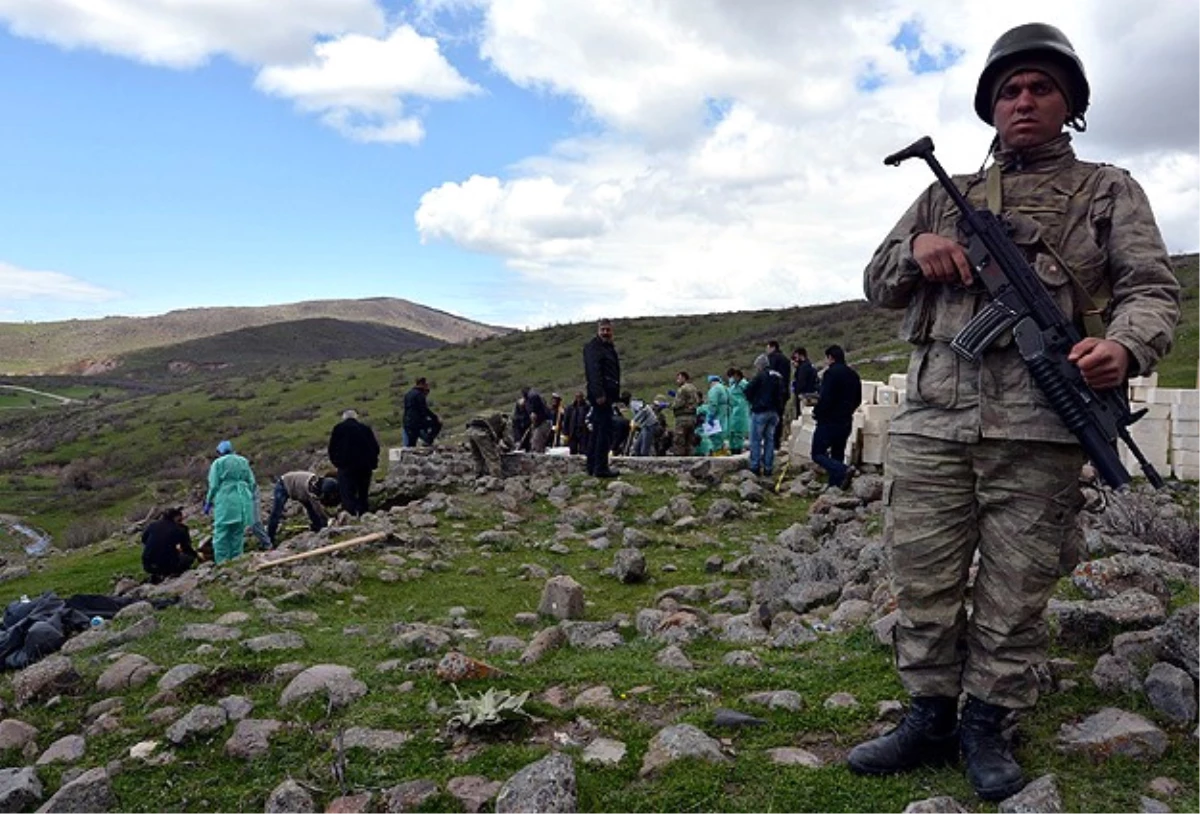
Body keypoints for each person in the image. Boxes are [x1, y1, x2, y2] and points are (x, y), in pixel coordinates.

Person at [851, 23, 1180, 803]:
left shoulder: (1109, 190)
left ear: (1071, 104)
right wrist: (917, 250)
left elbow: (1152, 289)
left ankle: (988, 722)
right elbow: (875, 281)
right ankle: (927, 714)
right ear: (990, 107)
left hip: (1041, 428)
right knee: (922, 579)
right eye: (1009, 90)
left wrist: (1125, 349)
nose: (1023, 100)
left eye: (1040, 88)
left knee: (1016, 589)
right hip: (934, 420)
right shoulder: (940, 193)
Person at [811, 345, 862, 490]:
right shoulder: (853, 375)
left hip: (829, 420)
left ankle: (842, 470)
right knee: (837, 453)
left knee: (818, 453)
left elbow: (826, 397)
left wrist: (818, 412)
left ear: (830, 358)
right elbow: (858, 399)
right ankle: (836, 486)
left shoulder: (831, 374)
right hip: (846, 420)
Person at [203, 440, 258, 564]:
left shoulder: (218, 464)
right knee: (237, 533)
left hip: (226, 500)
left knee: (221, 533)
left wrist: (208, 501)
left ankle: (222, 562)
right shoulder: (243, 461)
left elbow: (214, 485)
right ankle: (237, 560)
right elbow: (252, 482)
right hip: (242, 499)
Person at [583, 318, 622, 477]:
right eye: (603, 330)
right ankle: (600, 467)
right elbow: (593, 371)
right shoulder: (594, 348)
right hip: (601, 396)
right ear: (598, 331)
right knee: (604, 432)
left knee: (598, 431)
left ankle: (593, 465)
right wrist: (599, 393)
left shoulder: (608, 348)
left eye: (608, 330)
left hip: (608, 394)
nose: (606, 332)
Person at [327, 409, 380, 517]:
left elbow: (332, 448)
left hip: (346, 466)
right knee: (363, 492)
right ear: (356, 417)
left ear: (344, 418)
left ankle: (350, 515)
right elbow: (375, 447)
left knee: (347, 493)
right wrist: (373, 463)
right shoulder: (365, 429)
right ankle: (363, 514)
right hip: (365, 466)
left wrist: (337, 463)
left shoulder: (338, 429)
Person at [266, 471, 340, 545]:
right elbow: (318, 509)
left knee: (310, 508)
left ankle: (317, 527)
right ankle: (269, 539)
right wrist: (326, 521)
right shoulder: (311, 489)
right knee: (276, 513)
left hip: (299, 489)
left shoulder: (317, 483)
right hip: (283, 485)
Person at [743, 355, 783, 476]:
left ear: (760, 366)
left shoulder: (760, 376)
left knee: (755, 440)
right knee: (769, 440)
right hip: (774, 412)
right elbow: (783, 393)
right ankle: (768, 467)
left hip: (760, 410)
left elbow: (748, 390)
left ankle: (755, 466)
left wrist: (753, 401)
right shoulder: (778, 376)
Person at [141, 507, 197, 582]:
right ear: (176, 518)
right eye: (180, 520)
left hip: (147, 565)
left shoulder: (153, 525)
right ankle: (172, 573)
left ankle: (157, 574)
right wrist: (196, 555)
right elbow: (186, 548)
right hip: (168, 565)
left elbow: (144, 540)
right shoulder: (180, 529)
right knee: (188, 558)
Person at [466, 412, 512, 478]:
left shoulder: (492, 416)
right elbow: (507, 437)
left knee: (477, 456)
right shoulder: (506, 422)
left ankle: (479, 475)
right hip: (481, 433)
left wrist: (497, 442)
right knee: (492, 458)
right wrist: (509, 446)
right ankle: (496, 478)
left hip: (470, 431)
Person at [765, 340, 791, 450]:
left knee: (770, 419)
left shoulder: (772, 359)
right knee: (779, 417)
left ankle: (771, 443)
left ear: (772, 347)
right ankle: (777, 442)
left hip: (773, 394)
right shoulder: (785, 359)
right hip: (784, 392)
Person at [670, 371, 701, 456]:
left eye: (679, 378)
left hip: (682, 418)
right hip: (692, 418)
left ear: (684, 378)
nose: (677, 380)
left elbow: (678, 404)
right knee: (689, 441)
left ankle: (680, 462)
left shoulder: (682, 389)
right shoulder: (693, 388)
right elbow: (697, 401)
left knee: (679, 441)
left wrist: (670, 405)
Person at [402, 378, 441, 447]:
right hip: (417, 422)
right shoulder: (419, 395)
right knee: (437, 424)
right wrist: (434, 417)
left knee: (411, 444)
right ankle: (428, 441)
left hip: (407, 423)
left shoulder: (408, 394)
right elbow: (424, 410)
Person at [725, 368, 750, 454]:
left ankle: (738, 449)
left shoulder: (744, 384)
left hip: (741, 410)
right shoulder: (732, 386)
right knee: (732, 432)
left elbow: (749, 396)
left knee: (738, 432)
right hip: (733, 410)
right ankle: (733, 448)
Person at [705, 375, 730, 454]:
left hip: (716, 416)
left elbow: (713, 403)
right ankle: (723, 452)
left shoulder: (715, 389)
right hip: (724, 415)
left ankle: (718, 453)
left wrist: (710, 416)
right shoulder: (724, 388)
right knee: (722, 436)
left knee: (715, 437)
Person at [791, 347, 820, 414]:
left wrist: (797, 389)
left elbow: (801, 383)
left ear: (801, 355)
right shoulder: (809, 365)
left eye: (796, 356)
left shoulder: (803, 368)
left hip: (804, 395)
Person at [526, 388, 554, 452]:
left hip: (543, 423)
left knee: (537, 441)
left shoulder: (534, 399)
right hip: (542, 423)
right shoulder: (536, 400)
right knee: (535, 441)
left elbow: (535, 416)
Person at [562, 391, 590, 455]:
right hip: (573, 431)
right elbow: (566, 420)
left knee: (583, 449)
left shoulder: (587, 407)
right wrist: (565, 433)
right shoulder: (570, 408)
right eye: (577, 397)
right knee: (572, 449)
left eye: (580, 397)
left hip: (583, 431)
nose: (579, 399)